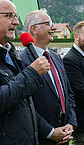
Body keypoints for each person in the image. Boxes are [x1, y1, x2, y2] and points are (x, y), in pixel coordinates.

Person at [20, 9, 77, 145]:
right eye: (49, 23)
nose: (54, 28)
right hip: (41, 137)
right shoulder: (22, 60)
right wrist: (50, 132)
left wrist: (71, 122)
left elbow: (68, 93)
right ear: (34, 29)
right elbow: (25, 104)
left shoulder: (56, 57)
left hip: (65, 133)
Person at [0, 0, 50, 144]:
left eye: (16, 17)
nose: (16, 22)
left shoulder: (12, 54)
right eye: (9, 16)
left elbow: (24, 104)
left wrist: (48, 131)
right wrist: (32, 73)